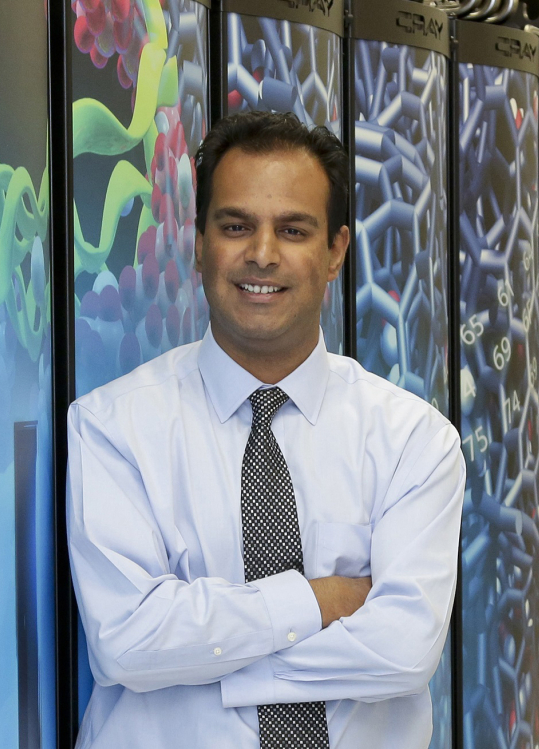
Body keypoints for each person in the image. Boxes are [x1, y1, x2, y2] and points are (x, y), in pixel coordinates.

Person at [68, 111, 465, 748]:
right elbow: (127, 644)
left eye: (293, 230)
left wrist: (206, 660)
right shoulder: (114, 429)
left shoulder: (413, 440)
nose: (262, 254)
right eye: (235, 226)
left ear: (335, 251)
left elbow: (404, 651)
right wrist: (324, 600)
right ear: (198, 243)